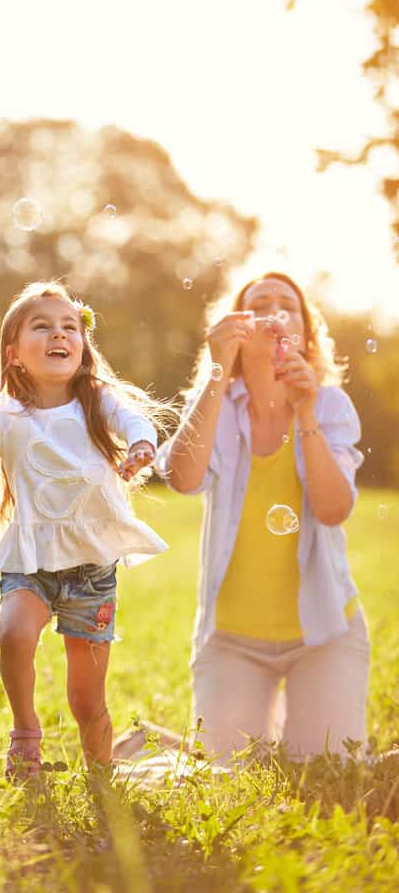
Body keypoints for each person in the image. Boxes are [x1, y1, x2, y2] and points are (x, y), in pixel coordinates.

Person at [0, 281, 175, 779]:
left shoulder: (96, 401)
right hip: (30, 561)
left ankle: (101, 773)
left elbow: (135, 420)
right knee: (14, 633)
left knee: (87, 697)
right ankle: (25, 731)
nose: (59, 334)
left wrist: (140, 446)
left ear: (82, 344)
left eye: (70, 326)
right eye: (42, 326)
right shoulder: (6, 415)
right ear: (15, 353)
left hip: (92, 571)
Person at [153, 271, 369, 762]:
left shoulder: (329, 404)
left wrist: (306, 413)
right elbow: (183, 479)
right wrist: (215, 371)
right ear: (236, 328)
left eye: (287, 306)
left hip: (324, 635)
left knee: (324, 767)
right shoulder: (215, 405)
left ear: (304, 334)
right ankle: (148, 740)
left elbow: (334, 511)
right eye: (259, 303)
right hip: (233, 641)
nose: (274, 311)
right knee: (231, 773)